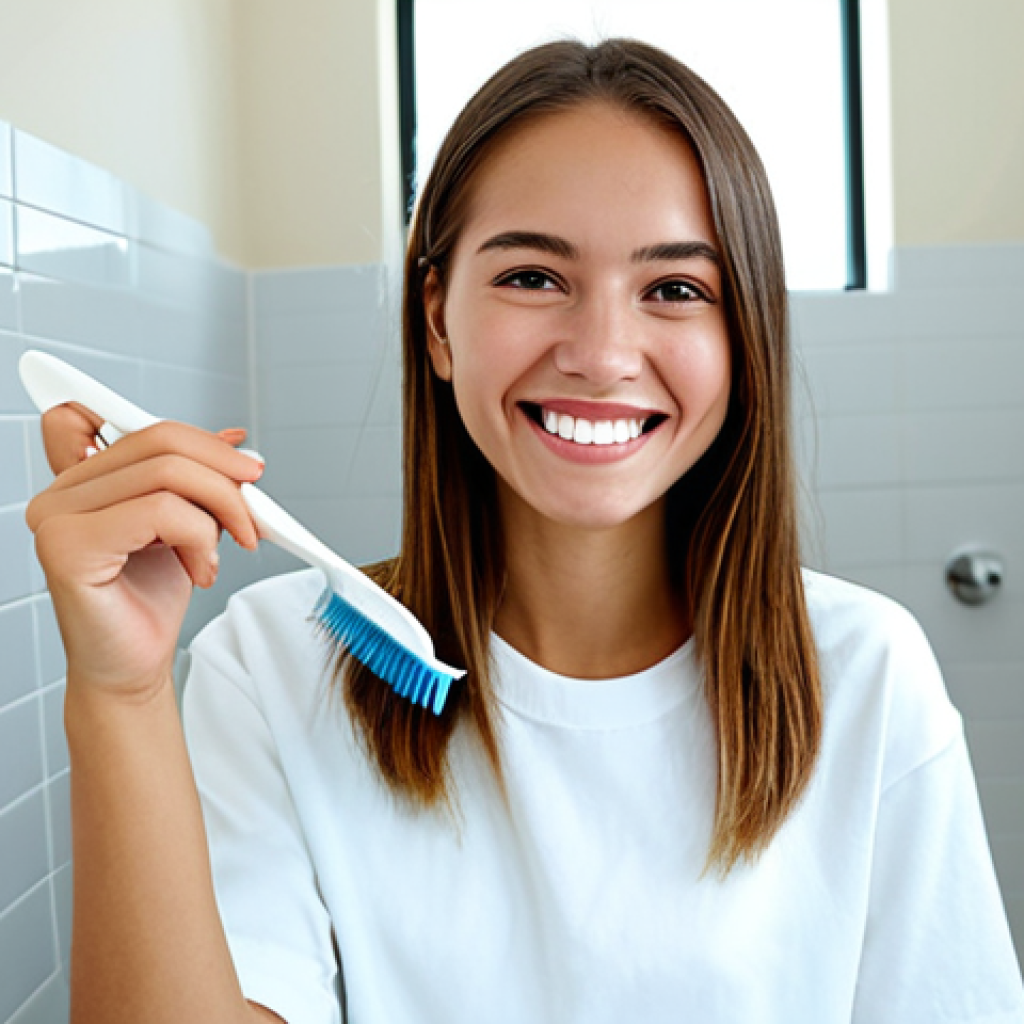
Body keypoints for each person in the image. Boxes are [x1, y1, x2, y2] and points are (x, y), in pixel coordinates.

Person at [25, 38, 1023, 1024]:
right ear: (436, 320)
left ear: (742, 335)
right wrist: (120, 694)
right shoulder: (275, 667)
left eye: (675, 288)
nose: (600, 353)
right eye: (532, 277)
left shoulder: (866, 676)